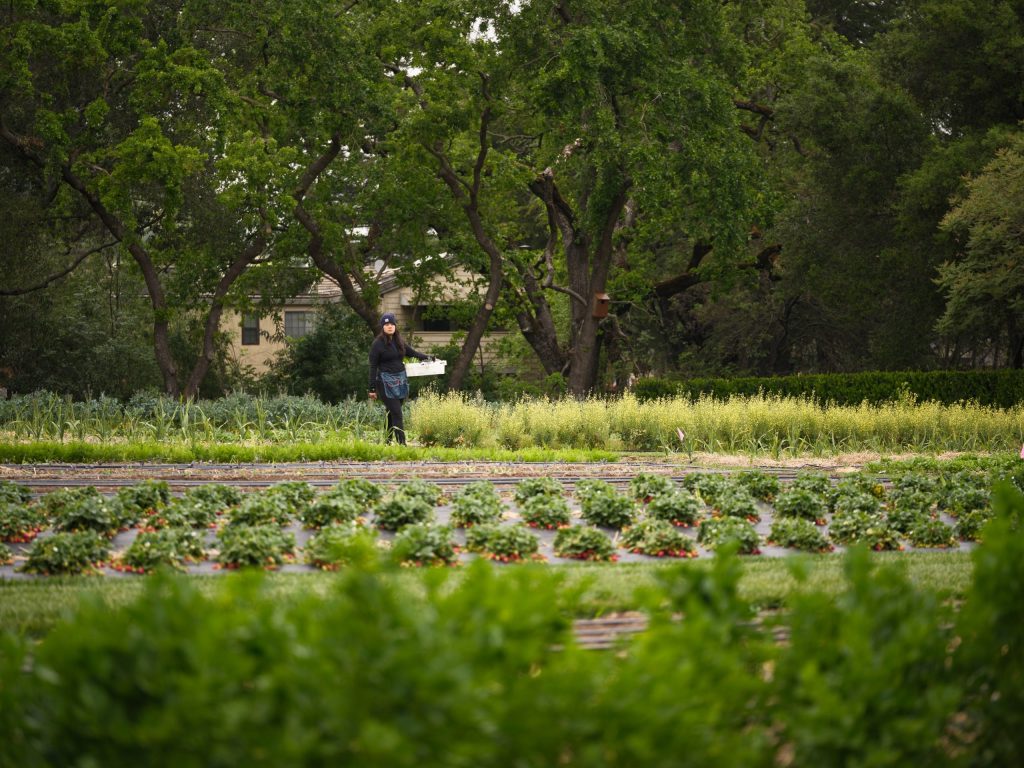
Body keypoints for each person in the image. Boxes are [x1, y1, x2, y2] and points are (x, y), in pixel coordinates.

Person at [368, 313, 431, 445]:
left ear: (395, 326)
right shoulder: (377, 344)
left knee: (391, 412)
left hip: (400, 381)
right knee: (397, 413)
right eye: (386, 324)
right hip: (384, 382)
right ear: (382, 327)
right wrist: (372, 388)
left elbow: (413, 353)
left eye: (392, 324)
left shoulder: (399, 342)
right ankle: (402, 444)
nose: (389, 326)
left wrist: (429, 358)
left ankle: (386, 441)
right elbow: (373, 367)